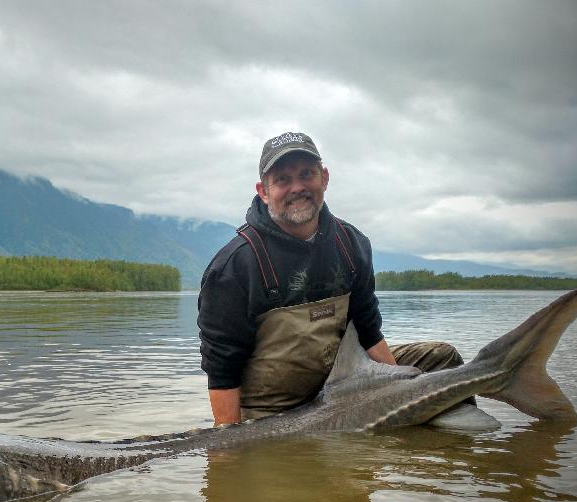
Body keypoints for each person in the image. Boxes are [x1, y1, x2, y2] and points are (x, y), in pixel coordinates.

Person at [197, 132, 463, 425]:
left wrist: (401, 390)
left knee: (442, 359)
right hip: (273, 411)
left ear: (324, 178)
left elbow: (368, 331)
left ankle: (455, 453)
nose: (297, 187)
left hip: (340, 385)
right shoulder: (235, 265)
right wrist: (229, 452)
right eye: (283, 179)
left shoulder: (352, 244)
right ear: (263, 190)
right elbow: (222, 370)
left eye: (306, 174)